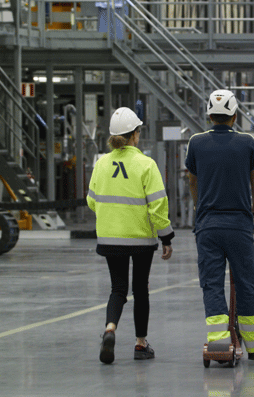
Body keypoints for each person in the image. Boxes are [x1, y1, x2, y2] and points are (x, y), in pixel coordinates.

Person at [186, 89, 254, 360]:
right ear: (235, 116)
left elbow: (192, 181)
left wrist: (201, 209)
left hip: (208, 225)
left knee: (212, 283)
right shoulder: (247, 142)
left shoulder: (196, 143)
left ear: (210, 115)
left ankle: (220, 343)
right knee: (246, 282)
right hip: (239, 225)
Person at [87, 106, 174, 365]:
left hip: (110, 238)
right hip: (140, 239)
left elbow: (92, 201)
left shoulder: (101, 164)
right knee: (140, 289)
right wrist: (166, 237)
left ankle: (110, 329)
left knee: (117, 288)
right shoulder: (146, 165)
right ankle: (140, 344)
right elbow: (158, 205)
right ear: (135, 135)